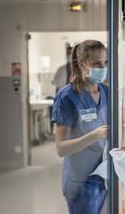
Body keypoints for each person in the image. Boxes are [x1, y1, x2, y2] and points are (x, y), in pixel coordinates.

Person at [51, 40, 108, 214]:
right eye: (97, 64)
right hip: (80, 182)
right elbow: (61, 149)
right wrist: (96, 135)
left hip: (104, 177)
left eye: (105, 63)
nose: (102, 68)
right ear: (83, 65)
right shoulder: (68, 96)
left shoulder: (107, 92)